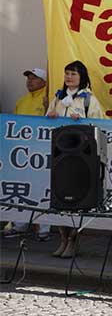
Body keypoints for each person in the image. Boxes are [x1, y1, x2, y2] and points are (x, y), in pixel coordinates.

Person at [46, 60, 104, 258]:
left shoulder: (88, 100)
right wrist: (52, 114)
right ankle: (62, 239)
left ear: (82, 77)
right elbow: (46, 120)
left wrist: (82, 121)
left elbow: (97, 124)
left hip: (80, 158)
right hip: (60, 156)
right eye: (67, 73)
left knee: (78, 198)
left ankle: (73, 240)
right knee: (60, 196)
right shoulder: (58, 97)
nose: (69, 77)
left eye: (73, 74)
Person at [3, 68, 51, 241]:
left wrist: (48, 107)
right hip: (21, 156)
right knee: (21, 190)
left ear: (45, 81)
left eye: (35, 78)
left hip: (41, 154)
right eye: (29, 78)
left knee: (43, 190)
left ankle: (44, 228)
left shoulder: (49, 99)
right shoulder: (22, 101)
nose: (30, 81)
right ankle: (19, 225)